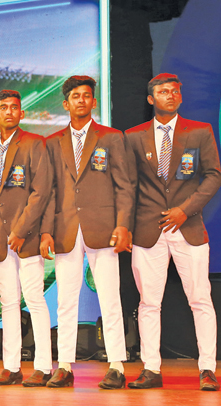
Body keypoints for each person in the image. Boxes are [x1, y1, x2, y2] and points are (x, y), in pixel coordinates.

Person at [125, 73, 221, 391]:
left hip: (188, 226)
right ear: (151, 99)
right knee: (149, 302)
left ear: (180, 97)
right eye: (163, 91)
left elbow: (213, 176)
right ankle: (151, 368)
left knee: (201, 300)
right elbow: (128, 186)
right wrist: (124, 226)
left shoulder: (199, 131)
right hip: (147, 230)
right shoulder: (134, 135)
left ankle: (207, 368)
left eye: (175, 91)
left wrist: (185, 210)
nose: (170, 95)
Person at [40, 76, 135, 389]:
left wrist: (123, 225)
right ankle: (64, 365)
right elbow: (47, 191)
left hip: (103, 227)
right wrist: (45, 232)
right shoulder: (52, 142)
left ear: (94, 102)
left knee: (109, 296)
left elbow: (125, 185)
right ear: (65, 104)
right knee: (66, 300)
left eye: (86, 96)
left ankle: (117, 364)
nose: (81, 100)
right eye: (75, 96)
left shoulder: (111, 137)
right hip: (65, 228)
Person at [0, 90, 53, 386]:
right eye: (3, 107)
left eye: (14, 107)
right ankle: (11, 366)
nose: (9, 111)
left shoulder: (35, 144)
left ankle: (43, 366)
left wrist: (20, 231)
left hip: (27, 237)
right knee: (8, 303)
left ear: (22, 114)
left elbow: (41, 192)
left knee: (34, 300)